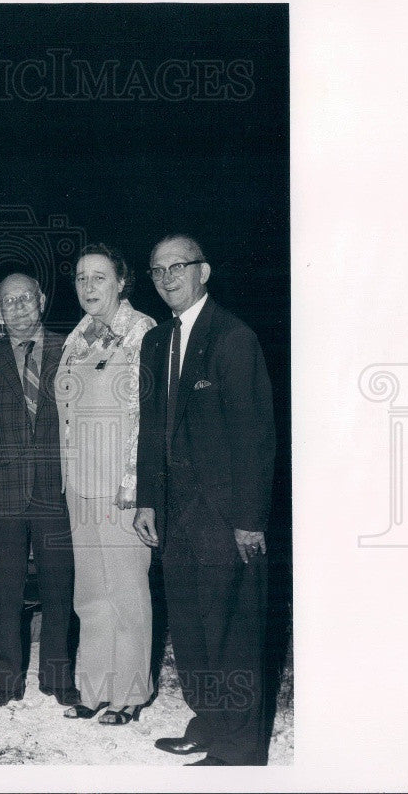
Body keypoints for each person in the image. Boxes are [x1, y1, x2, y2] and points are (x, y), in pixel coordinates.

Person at [134, 235, 275, 766]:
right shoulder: (156, 343)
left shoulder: (232, 337)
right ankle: (209, 721)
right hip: (174, 515)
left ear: (204, 271)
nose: (168, 277)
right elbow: (152, 430)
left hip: (225, 517)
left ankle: (238, 751)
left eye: (178, 266)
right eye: (158, 269)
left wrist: (249, 521)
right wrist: (147, 500)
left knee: (232, 633)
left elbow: (255, 437)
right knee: (192, 630)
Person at [0, 273, 79, 708]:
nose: (18, 308)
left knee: (59, 591)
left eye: (26, 298)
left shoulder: (73, 351)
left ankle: (58, 677)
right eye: (8, 301)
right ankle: (4, 681)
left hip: (59, 494)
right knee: (4, 593)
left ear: (42, 301)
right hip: (2, 495)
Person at [55, 244, 157, 726]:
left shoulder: (142, 333)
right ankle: (93, 686)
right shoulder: (77, 337)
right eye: (80, 278)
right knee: (91, 592)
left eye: (99, 277)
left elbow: (146, 415)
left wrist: (136, 482)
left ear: (122, 282)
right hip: (79, 483)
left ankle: (130, 693)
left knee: (127, 590)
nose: (88, 287)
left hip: (120, 484)